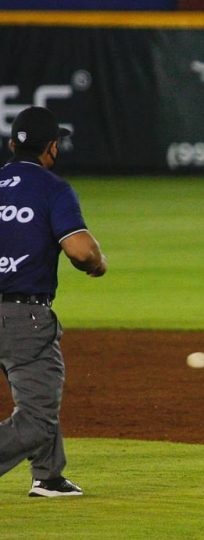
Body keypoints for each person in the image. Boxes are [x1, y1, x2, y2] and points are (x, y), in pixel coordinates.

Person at [0, 106, 108, 497]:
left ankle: (47, 476)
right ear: (53, 149)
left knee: (37, 394)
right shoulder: (52, 188)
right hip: (23, 316)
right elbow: (81, 251)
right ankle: (45, 473)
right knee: (39, 417)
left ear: (12, 145)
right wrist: (98, 265)